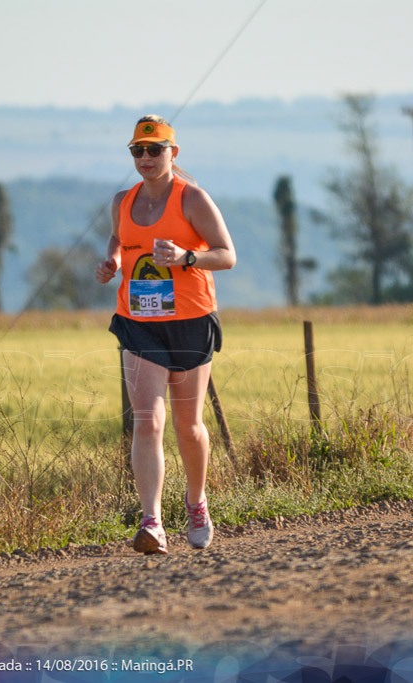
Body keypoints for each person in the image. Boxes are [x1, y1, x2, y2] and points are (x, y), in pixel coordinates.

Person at [95, 115, 236, 555]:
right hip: (138, 323)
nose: (146, 158)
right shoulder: (123, 200)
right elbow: (119, 241)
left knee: (188, 426)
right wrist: (113, 263)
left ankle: (196, 502)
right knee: (148, 421)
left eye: (155, 150)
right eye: (138, 150)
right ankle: (152, 522)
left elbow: (227, 256)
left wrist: (186, 258)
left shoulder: (192, 199)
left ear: (174, 153)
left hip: (191, 320)